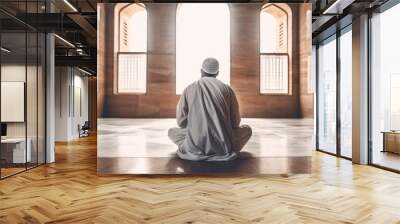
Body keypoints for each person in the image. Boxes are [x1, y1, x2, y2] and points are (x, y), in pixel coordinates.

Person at [168, 57, 252, 161]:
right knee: (247, 130)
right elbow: (235, 123)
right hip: (223, 146)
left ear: (201, 71)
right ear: (217, 73)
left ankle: (193, 144)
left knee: (172, 132)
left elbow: (181, 122)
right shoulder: (227, 89)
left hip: (195, 145)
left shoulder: (189, 88)